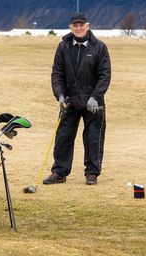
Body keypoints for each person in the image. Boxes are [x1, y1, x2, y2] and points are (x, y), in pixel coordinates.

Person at [44, 12, 111, 185]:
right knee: (63, 137)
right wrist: (59, 95)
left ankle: (92, 173)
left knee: (93, 137)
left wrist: (96, 97)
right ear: (71, 27)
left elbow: (105, 75)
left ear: (87, 26)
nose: (79, 28)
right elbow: (57, 73)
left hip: (93, 104)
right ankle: (59, 172)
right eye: (75, 25)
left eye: (82, 25)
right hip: (69, 101)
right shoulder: (63, 46)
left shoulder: (99, 47)